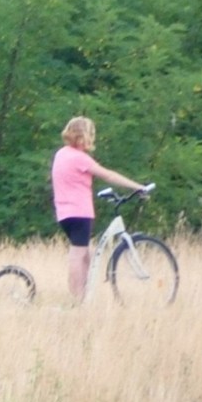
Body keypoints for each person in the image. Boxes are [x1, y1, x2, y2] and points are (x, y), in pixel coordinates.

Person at [52, 116, 148, 302]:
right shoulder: (80, 158)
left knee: (85, 254)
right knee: (78, 255)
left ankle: (84, 296)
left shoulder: (61, 154)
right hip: (80, 212)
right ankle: (77, 299)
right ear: (82, 136)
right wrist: (137, 187)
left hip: (64, 213)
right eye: (90, 135)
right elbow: (108, 175)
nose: (92, 139)